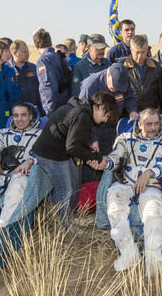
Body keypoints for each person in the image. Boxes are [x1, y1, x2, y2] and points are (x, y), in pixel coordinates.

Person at [104, 109, 162, 276]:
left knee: (153, 215)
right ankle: (129, 253)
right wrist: (106, 163)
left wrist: (150, 172)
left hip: (151, 185)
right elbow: (115, 156)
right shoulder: (125, 139)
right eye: (148, 124)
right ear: (139, 124)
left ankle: (153, 261)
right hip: (126, 184)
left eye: (156, 124)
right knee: (114, 201)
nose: (153, 128)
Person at [32, 92, 119, 221]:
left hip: (61, 153)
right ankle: (65, 226)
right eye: (107, 116)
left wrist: (91, 155)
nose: (105, 120)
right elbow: (72, 147)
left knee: (74, 183)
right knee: (65, 190)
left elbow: (75, 140)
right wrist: (96, 157)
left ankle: (72, 215)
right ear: (100, 107)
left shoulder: (83, 111)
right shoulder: (82, 115)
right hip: (50, 154)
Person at [33, 28, 70, 116]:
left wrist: (49, 111)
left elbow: (48, 87)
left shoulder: (44, 60)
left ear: (36, 46)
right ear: (50, 42)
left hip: (54, 108)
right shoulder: (59, 57)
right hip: (65, 104)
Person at [123, 35, 162, 111]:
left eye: (143, 52)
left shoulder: (157, 67)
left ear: (147, 50)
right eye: (137, 52)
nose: (140, 56)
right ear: (131, 50)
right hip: (129, 113)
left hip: (151, 113)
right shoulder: (122, 68)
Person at [10, 39, 43, 115]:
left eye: (28, 52)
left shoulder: (33, 68)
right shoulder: (6, 69)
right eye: (24, 52)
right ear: (15, 53)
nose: (27, 54)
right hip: (15, 114)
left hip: (33, 111)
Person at [72, 33, 111, 98]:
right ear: (88, 47)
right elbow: (77, 92)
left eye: (103, 48)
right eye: (98, 48)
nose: (101, 51)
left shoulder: (108, 64)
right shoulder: (80, 67)